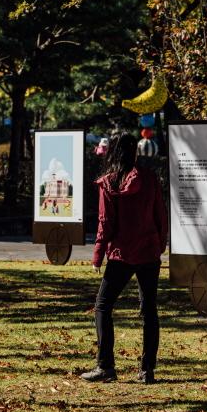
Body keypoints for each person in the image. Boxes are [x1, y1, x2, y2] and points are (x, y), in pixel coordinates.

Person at [82, 133, 168, 384]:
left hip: (121, 253)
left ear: (113, 153)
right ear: (134, 153)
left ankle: (105, 365)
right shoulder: (150, 179)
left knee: (102, 306)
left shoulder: (109, 183)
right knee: (149, 310)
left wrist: (98, 254)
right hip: (149, 251)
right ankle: (147, 369)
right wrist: (160, 244)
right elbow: (160, 214)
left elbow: (105, 222)